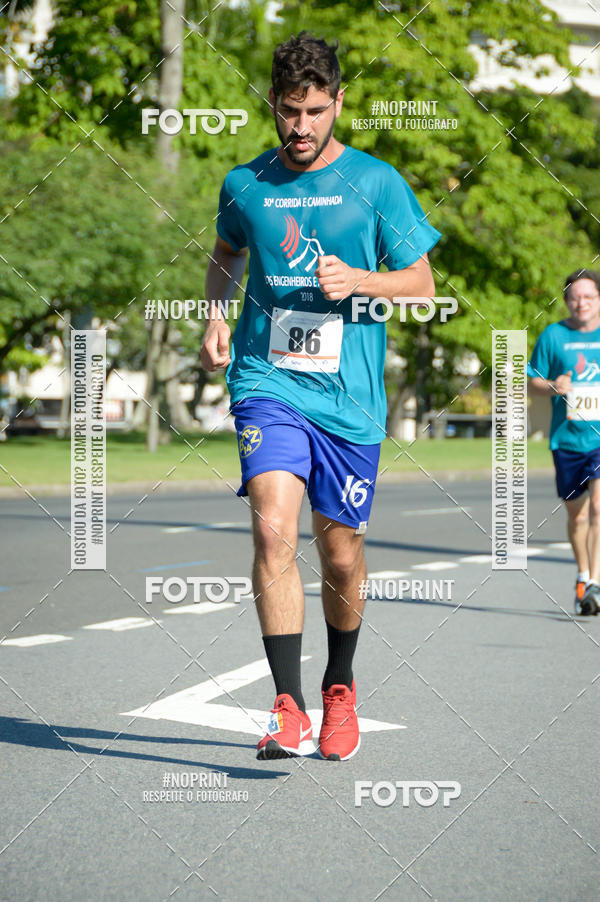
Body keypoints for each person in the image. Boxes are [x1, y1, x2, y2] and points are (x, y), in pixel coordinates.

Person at [201, 31, 441, 760]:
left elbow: (423, 286)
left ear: (339, 102)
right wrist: (216, 310)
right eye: (286, 111)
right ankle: (286, 704)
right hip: (266, 381)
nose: (300, 128)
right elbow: (227, 254)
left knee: (340, 558)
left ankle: (340, 685)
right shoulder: (246, 184)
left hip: (350, 399)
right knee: (274, 529)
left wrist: (361, 280)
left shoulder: (376, 183)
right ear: (271, 105)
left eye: (313, 111)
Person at [529, 268, 600, 616]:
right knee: (578, 516)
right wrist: (553, 386)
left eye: (588, 296)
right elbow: (531, 381)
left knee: (599, 509)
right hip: (567, 440)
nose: (581, 303)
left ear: (599, 300)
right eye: (574, 297)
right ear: (566, 301)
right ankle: (583, 574)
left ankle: (595, 583)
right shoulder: (553, 336)